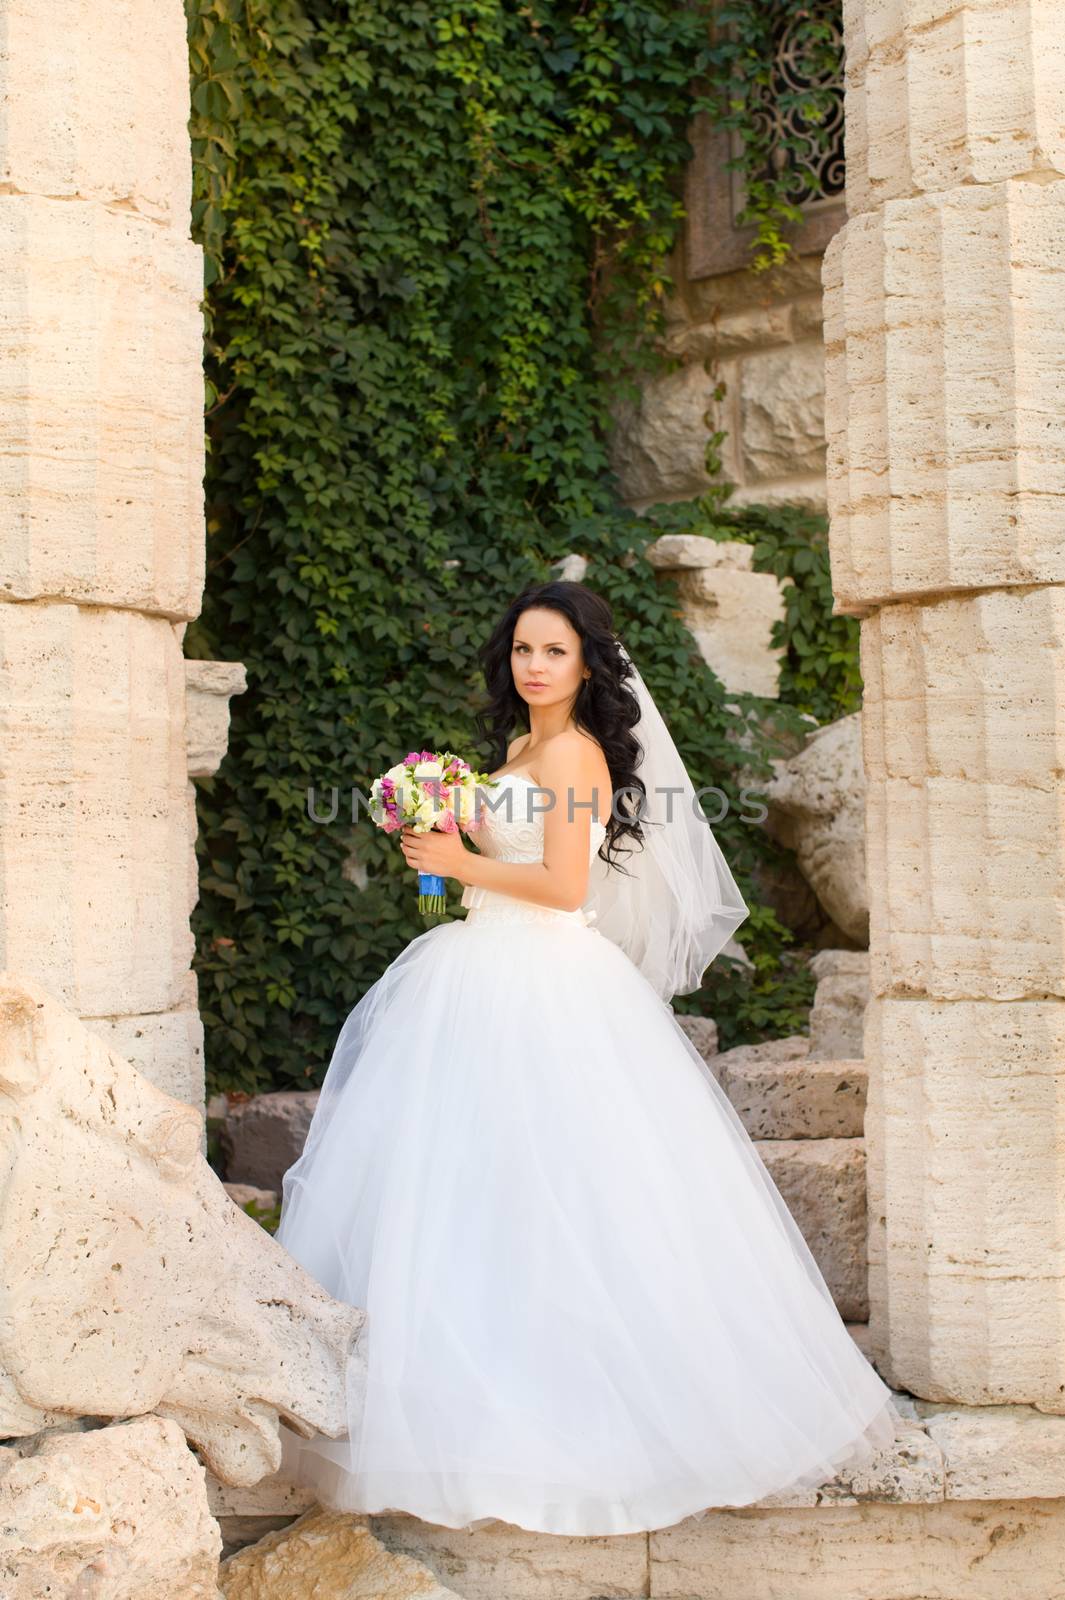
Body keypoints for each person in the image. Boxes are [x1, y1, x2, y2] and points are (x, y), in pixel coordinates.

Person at [273, 579, 900, 1538]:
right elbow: (502, 861)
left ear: (587, 664)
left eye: (552, 652)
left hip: (543, 980)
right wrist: (437, 845)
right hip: (477, 968)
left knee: (562, 1193)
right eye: (521, 650)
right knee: (466, 1192)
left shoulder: (574, 753)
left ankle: (575, 1417)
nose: (532, 666)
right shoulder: (521, 749)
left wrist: (457, 851)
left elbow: (564, 886)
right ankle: (463, 1396)